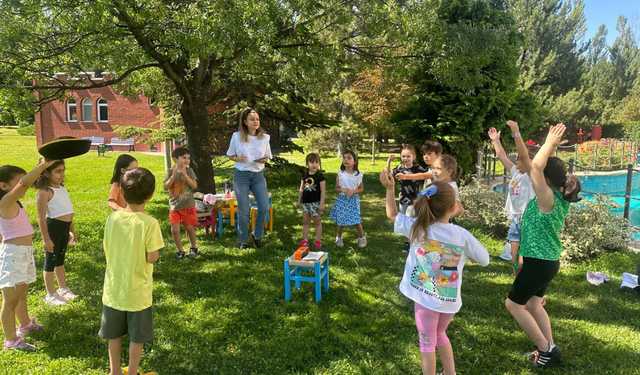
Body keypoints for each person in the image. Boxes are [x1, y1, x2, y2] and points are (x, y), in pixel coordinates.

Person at [379, 173, 489, 375]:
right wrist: (469, 254)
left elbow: (393, 215)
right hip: (449, 302)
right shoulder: (462, 235)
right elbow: (485, 259)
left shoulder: (418, 227)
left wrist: (389, 189)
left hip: (424, 300)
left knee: (427, 343)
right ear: (453, 208)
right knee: (439, 334)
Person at [504, 124, 582, 369]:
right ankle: (551, 348)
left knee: (513, 304)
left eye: (540, 175)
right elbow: (534, 166)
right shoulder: (555, 196)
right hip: (546, 262)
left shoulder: (547, 198)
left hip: (541, 264)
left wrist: (549, 143)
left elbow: (535, 166)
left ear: (546, 180)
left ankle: (545, 349)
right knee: (534, 304)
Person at [99, 168, 163, 375]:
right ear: (151, 195)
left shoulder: (113, 218)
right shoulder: (150, 223)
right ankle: (133, 372)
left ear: (122, 193)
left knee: (114, 335)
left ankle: (114, 371)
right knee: (137, 336)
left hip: (114, 289)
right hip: (137, 293)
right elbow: (152, 257)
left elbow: (106, 248)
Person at [0, 160, 57, 350]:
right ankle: (10, 340)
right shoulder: (5, 202)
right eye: (18, 181)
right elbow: (25, 184)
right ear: (4, 186)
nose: (24, 184)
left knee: (22, 294)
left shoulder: (14, 202)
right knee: (10, 300)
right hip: (14, 255)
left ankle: (25, 325)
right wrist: (42, 166)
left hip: (24, 253)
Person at [488, 121, 536, 276]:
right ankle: (518, 284)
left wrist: (516, 131)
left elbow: (524, 154)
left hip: (528, 219)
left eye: (519, 158)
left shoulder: (532, 175)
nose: (516, 159)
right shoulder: (516, 171)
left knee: (525, 259)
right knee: (514, 258)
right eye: (515, 157)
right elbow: (502, 156)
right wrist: (496, 140)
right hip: (516, 218)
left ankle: (530, 284)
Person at [226, 108, 272, 250]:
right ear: (245, 122)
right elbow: (230, 155)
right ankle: (243, 241)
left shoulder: (264, 137)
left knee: (264, 207)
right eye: (252, 119)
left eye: (257, 119)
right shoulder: (237, 136)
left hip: (258, 175)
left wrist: (264, 160)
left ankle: (256, 235)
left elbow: (268, 157)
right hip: (242, 175)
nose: (255, 122)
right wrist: (238, 158)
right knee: (244, 210)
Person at [34, 159, 77, 306]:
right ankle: (50, 294)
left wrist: (71, 230)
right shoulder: (44, 192)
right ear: (46, 172)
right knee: (50, 261)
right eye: (58, 171)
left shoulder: (61, 189)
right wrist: (46, 238)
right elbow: (40, 217)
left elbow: (67, 211)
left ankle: (63, 288)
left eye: (63, 171)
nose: (62, 174)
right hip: (53, 228)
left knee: (60, 260)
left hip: (64, 229)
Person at [386, 144, 427, 251]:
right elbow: (389, 176)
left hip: (413, 200)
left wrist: (425, 192)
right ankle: (407, 242)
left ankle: (413, 241)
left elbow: (427, 176)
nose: (405, 158)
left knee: (409, 219)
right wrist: (388, 162)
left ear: (413, 157)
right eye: (403, 156)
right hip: (402, 199)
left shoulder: (418, 168)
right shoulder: (400, 168)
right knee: (404, 221)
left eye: (408, 156)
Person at [163, 147, 198, 261]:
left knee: (189, 227)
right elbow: (165, 187)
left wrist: (185, 175)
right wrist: (173, 176)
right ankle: (180, 250)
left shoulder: (189, 171)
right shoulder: (169, 171)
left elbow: (194, 186)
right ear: (175, 159)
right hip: (174, 206)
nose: (187, 160)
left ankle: (193, 247)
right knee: (175, 230)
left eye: (188, 158)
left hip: (188, 205)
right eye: (184, 158)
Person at [329, 150, 366, 248]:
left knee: (356, 220)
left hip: (353, 200)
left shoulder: (358, 175)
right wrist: (342, 189)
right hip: (342, 200)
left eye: (349, 158)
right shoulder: (340, 173)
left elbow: (361, 188)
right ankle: (339, 238)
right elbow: (336, 188)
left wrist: (353, 191)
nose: (346, 160)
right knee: (341, 221)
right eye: (344, 158)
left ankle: (362, 238)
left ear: (354, 162)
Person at [296, 153, 326, 249]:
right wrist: (298, 201)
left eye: (317, 162)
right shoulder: (304, 175)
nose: (314, 165)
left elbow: (323, 191)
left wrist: (321, 204)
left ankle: (318, 240)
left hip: (315, 203)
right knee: (306, 221)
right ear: (307, 163)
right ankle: (305, 240)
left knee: (317, 221)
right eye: (312, 162)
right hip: (306, 203)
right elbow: (301, 189)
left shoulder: (320, 176)